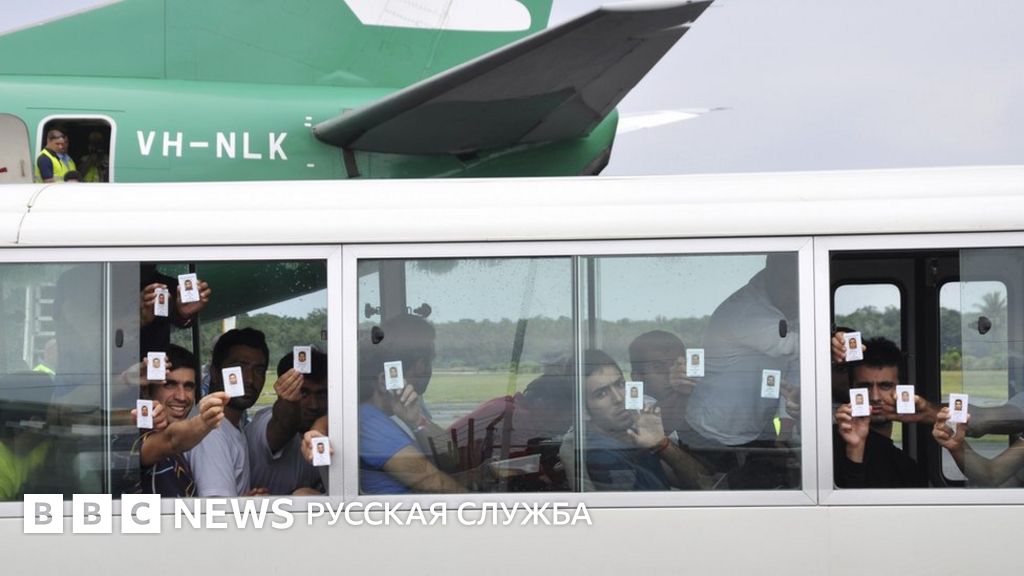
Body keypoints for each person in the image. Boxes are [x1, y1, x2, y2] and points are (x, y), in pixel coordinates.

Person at [303, 318, 466, 494]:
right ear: (383, 381)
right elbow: (435, 483)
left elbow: (451, 459)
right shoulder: (370, 423)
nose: (427, 371)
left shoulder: (404, 410)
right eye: (424, 363)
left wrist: (417, 422)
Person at [682, 254, 801, 487]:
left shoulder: (790, 307)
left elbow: (794, 366)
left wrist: (785, 425)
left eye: (798, 283)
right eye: (788, 282)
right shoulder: (745, 309)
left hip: (758, 429)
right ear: (771, 273)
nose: (795, 293)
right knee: (717, 496)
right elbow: (795, 346)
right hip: (712, 434)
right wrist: (837, 343)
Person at [580, 350, 709, 491]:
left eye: (620, 384)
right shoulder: (602, 455)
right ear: (583, 410)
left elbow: (703, 483)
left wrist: (662, 444)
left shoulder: (630, 437)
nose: (619, 398)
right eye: (601, 394)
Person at [132, 345, 228, 497]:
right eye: (170, 385)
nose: (181, 397)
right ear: (146, 389)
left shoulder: (179, 453)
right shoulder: (136, 435)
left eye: (189, 386)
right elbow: (171, 440)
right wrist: (204, 421)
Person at [832, 336, 927, 488]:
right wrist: (855, 449)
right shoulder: (828, 445)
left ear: (902, 390)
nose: (875, 397)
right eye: (865, 386)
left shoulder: (906, 467)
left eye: (885, 386)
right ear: (851, 389)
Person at [190, 328, 270, 497]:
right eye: (239, 368)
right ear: (215, 374)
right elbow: (218, 508)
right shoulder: (211, 431)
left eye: (258, 370)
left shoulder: (230, 423)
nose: (249, 379)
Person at [246, 349, 327, 495]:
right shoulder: (264, 422)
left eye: (321, 394)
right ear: (283, 390)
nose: (313, 405)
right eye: (303, 393)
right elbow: (284, 425)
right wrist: (289, 402)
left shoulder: (331, 426)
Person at [628, 331, 696, 438]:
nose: (672, 373)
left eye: (677, 365)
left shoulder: (694, 393)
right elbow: (656, 424)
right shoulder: (633, 405)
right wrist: (682, 392)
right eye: (659, 367)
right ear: (638, 377)